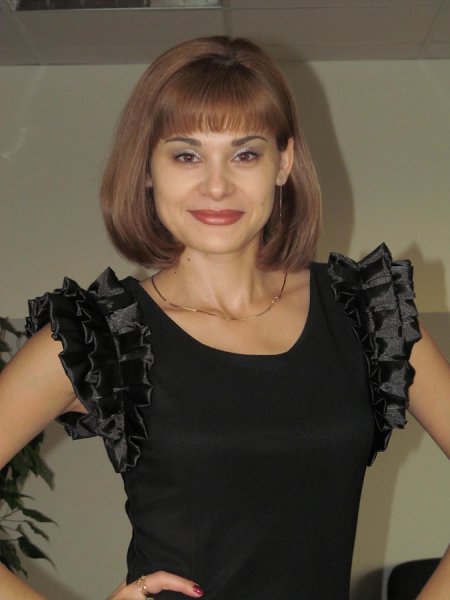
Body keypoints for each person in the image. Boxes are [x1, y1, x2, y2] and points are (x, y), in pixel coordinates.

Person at [0, 36, 449, 600]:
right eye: (186, 155)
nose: (217, 185)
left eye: (245, 154)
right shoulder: (99, 338)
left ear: (284, 163)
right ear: (147, 169)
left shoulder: (367, 314)